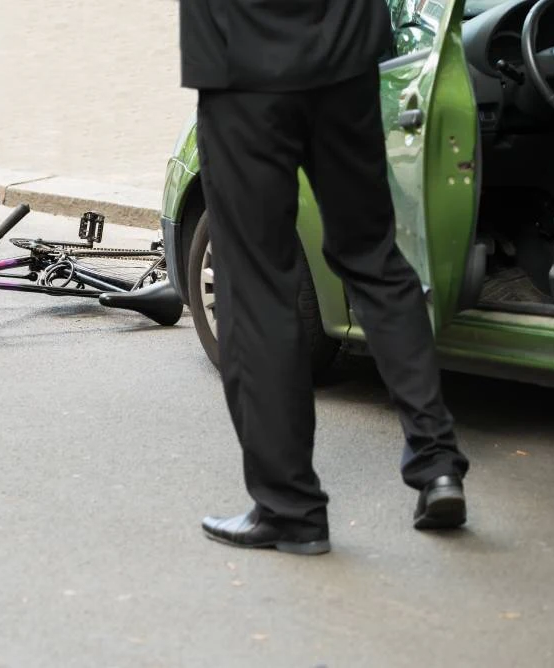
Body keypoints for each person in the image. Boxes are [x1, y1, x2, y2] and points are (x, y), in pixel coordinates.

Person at [180, 0, 471, 555]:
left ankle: (291, 508)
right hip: (344, 56)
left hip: (243, 64)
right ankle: (437, 464)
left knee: (256, 283)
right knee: (372, 255)